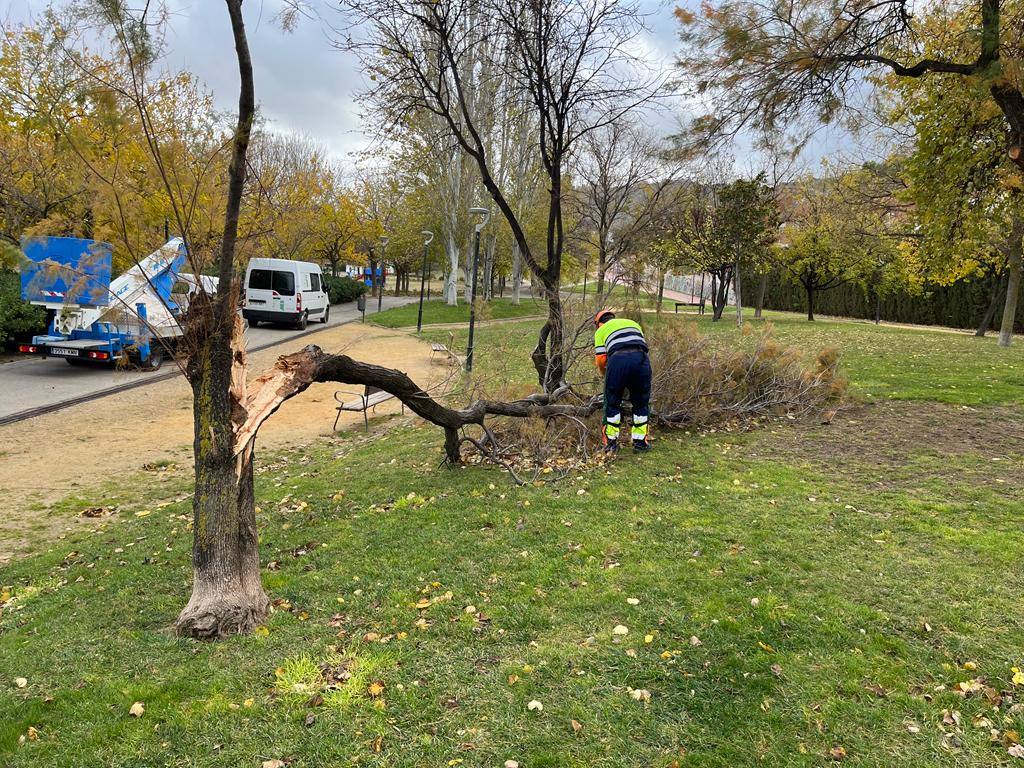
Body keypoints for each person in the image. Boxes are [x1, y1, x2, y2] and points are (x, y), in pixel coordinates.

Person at [593, 309, 651, 452]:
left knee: (612, 402)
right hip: (641, 359)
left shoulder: (600, 331)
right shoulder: (632, 323)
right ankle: (640, 443)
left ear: (599, 323)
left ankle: (611, 444)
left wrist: (606, 376)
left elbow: (601, 360)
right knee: (641, 402)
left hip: (618, 359)